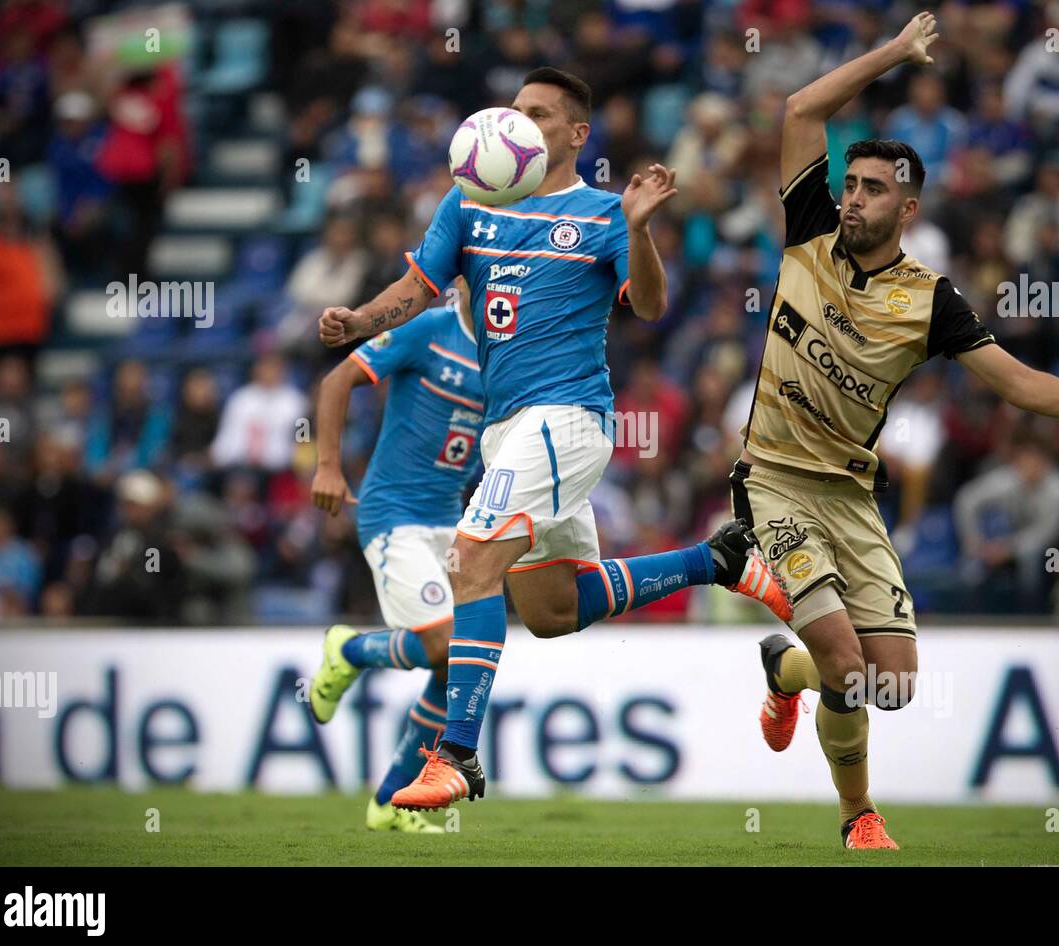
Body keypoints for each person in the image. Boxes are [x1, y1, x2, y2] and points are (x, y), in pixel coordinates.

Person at [731, 12, 1059, 850]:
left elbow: (1018, 383)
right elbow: (801, 108)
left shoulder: (931, 301)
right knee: (847, 661)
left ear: (907, 208)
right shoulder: (808, 231)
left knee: (892, 684)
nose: (854, 199)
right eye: (852, 183)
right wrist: (894, 54)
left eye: (874, 190)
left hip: (850, 491)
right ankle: (858, 817)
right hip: (772, 477)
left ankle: (784, 669)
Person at [317, 67, 792, 810]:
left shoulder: (603, 213)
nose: (519, 124)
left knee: (474, 557)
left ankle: (456, 756)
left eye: (538, 114)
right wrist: (358, 321)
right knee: (550, 611)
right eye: (514, 111)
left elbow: (654, 307)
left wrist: (637, 231)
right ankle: (720, 559)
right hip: (507, 432)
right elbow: (417, 289)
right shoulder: (468, 204)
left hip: (566, 418)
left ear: (576, 134)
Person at [306, 279, 483, 833]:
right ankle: (352, 651)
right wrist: (329, 466)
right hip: (394, 516)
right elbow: (337, 381)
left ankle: (390, 801)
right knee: (443, 642)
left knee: (454, 665)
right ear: (463, 278)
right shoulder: (428, 330)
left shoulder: (507, 355)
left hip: (450, 524)